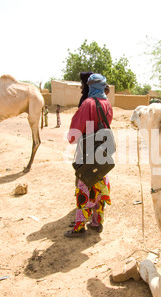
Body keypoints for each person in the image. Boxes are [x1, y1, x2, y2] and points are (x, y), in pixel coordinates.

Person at [65, 73, 113, 238]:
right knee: (99, 183)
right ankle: (97, 221)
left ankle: (79, 227)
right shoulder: (107, 104)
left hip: (87, 153)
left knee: (84, 187)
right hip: (102, 153)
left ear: (90, 86)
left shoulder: (87, 104)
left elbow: (73, 134)